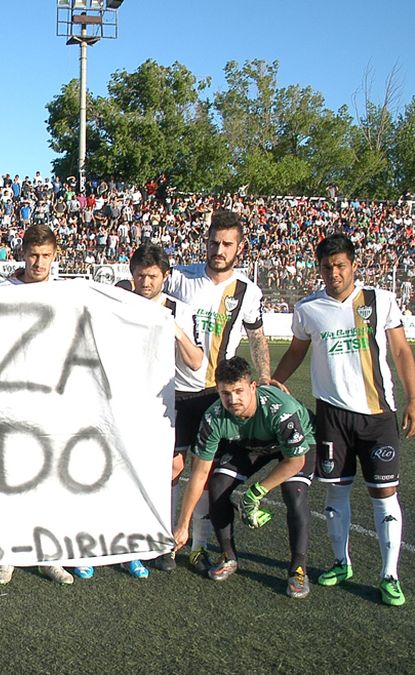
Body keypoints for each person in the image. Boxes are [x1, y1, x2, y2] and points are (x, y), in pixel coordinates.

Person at [272, 233, 415, 606]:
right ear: (319, 269)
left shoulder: (379, 300)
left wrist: (414, 400)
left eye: (340, 265)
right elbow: (296, 351)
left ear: (354, 265)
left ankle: (389, 575)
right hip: (332, 417)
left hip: (377, 417)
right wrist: (273, 381)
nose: (334, 273)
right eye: (327, 267)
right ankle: (341, 563)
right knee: (336, 492)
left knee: (384, 495)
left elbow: (401, 350)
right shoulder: (309, 308)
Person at [163, 209, 272, 573]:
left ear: (239, 248)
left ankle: (198, 545)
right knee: (172, 468)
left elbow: (256, 337)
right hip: (177, 390)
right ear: (205, 241)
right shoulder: (180, 278)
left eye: (227, 244)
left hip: (217, 395)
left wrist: (266, 377)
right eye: (213, 242)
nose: (218, 249)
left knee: (205, 472)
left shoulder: (247, 291)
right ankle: (164, 540)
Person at [172, 357, 316, 599]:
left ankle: (298, 569)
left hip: (294, 449)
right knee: (218, 484)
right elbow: (199, 474)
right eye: (225, 393)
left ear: (253, 387)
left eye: (239, 391)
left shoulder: (281, 410)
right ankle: (229, 557)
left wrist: (256, 492)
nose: (233, 399)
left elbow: (296, 461)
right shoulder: (214, 416)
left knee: (294, 493)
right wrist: (183, 525)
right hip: (250, 443)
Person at [0, 225, 75, 586]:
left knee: (48, 478)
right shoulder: (3, 291)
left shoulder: (66, 292)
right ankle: (5, 555)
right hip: (8, 398)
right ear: (22, 253)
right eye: (33, 255)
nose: (38, 262)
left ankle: (48, 554)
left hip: (50, 398)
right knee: (8, 479)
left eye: (46, 256)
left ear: (55, 256)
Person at [119, 243, 206, 573]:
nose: (145, 283)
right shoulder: (120, 304)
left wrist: (175, 331)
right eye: (140, 275)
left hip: (167, 401)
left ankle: (157, 542)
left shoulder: (179, 310)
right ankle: (122, 540)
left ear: (165, 277)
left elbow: (197, 361)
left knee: (169, 470)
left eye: (152, 276)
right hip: (126, 399)